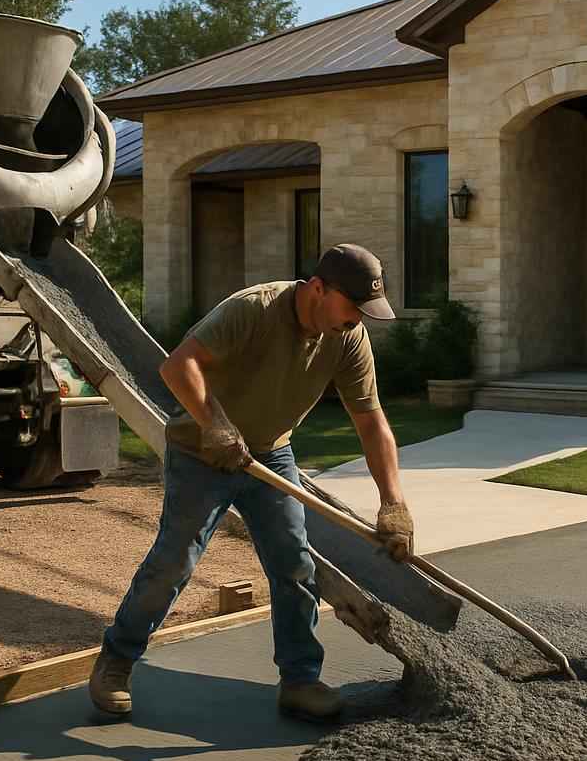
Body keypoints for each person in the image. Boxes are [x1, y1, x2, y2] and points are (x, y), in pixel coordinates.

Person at [89, 244, 416, 721]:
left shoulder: (347, 338)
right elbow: (178, 366)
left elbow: (372, 422)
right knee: (174, 562)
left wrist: (393, 502)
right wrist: (215, 423)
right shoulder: (253, 309)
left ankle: (300, 679)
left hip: (270, 455)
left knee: (294, 565)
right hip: (202, 452)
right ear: (319, 289)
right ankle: (115, 661)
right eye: (353, 308)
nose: (358, 321)